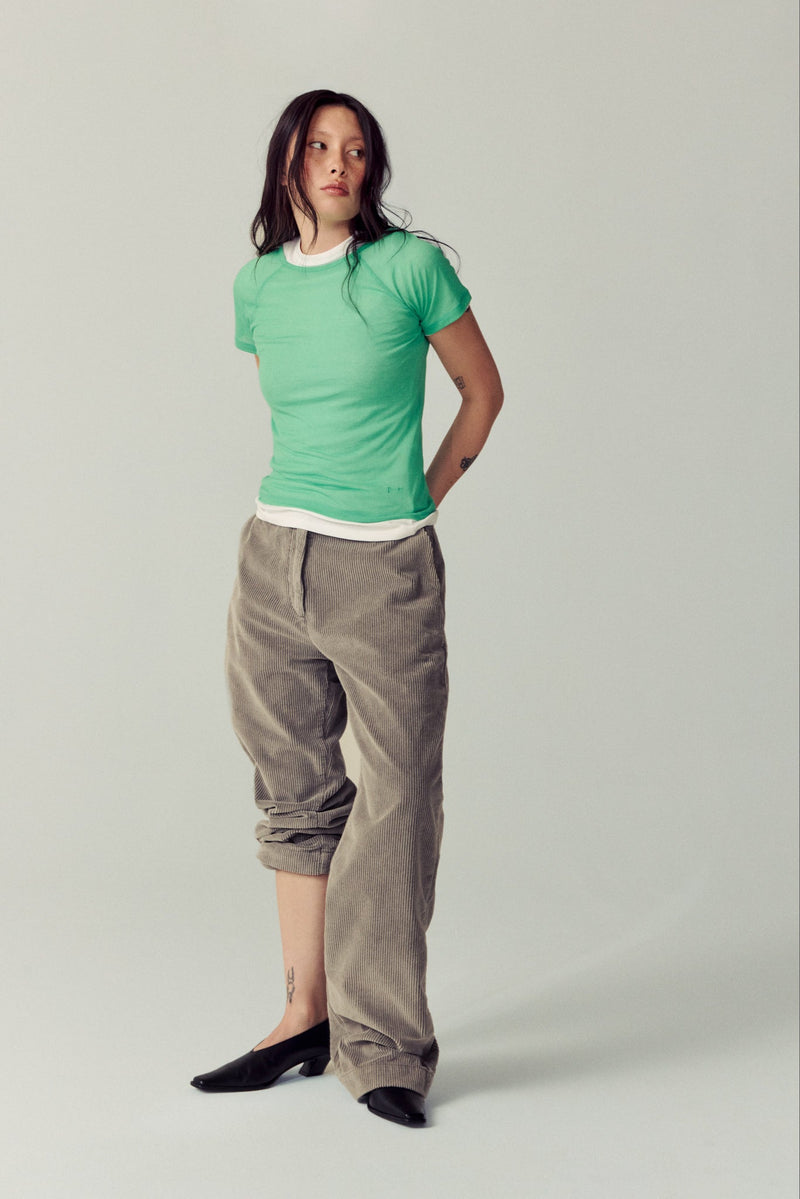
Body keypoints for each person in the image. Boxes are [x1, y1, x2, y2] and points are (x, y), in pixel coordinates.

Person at [190, 89, 503, 1128]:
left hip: (383, 570)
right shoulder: (258, 285)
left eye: (356, 149)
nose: (339, 162)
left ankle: (383, 1046)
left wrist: (421, 497)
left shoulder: (410, 268)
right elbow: (295, 404)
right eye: (320, 145)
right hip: (271, 558)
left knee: (399, 797)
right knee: (294, 791)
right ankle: (300, 1016)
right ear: (288, 161)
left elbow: (481, 393)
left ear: (372, 170)